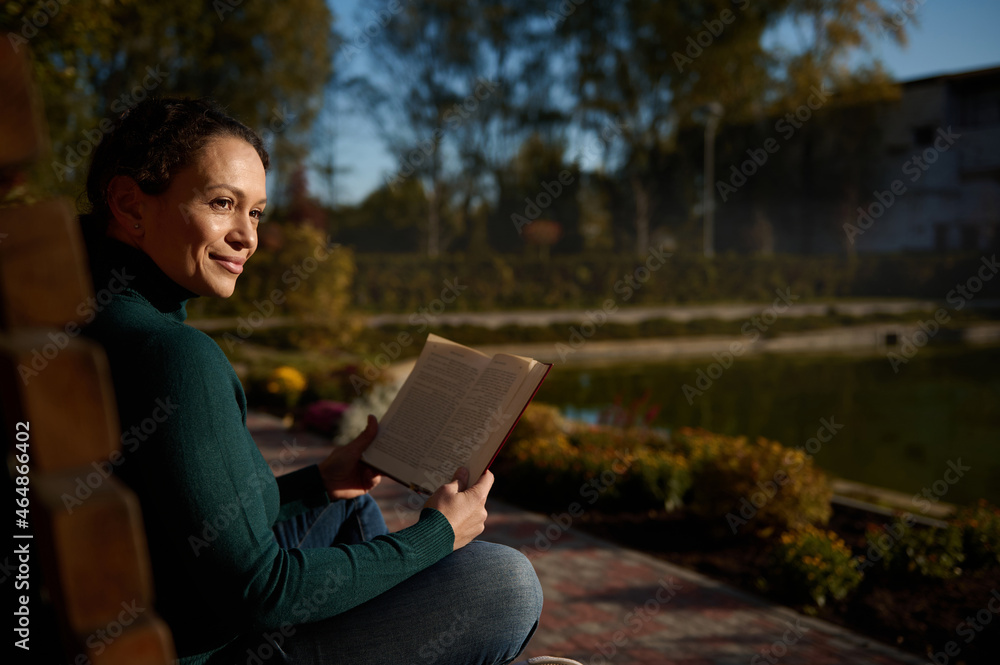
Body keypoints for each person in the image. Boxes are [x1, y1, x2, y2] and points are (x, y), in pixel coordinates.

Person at [78, 97, 543, 665]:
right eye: (223, 203)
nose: (246, 236)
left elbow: (188, 526)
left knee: (340, 505)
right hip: (203, 647)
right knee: (503, 581)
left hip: (157, 608)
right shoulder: (173, 356)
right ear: (129, 205)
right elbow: (262, 593)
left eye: (255, 213)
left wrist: (320, 481)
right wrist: (437, 534)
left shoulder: (87, 320)